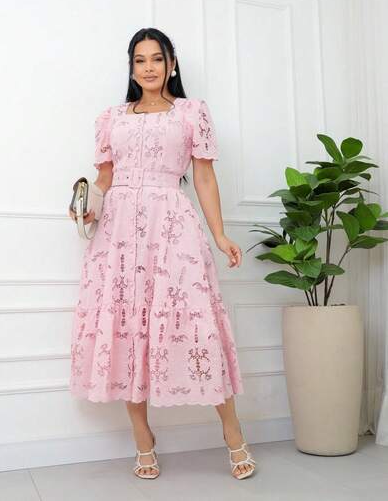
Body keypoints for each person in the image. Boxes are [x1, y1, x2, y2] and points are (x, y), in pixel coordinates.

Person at [68, 27, 256, 480]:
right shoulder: (112, 118)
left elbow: (204, 177)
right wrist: (86, 207)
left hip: (171, 228)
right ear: (131, 68)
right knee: (128, 329)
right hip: (116, 234)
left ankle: (233, 433)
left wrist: (220, 235)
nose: (148, 67)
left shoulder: (191, 113)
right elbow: (105, 179)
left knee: (197, 325)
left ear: (172, 64)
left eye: (157, 58)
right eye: (140, 60)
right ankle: (142, 439)